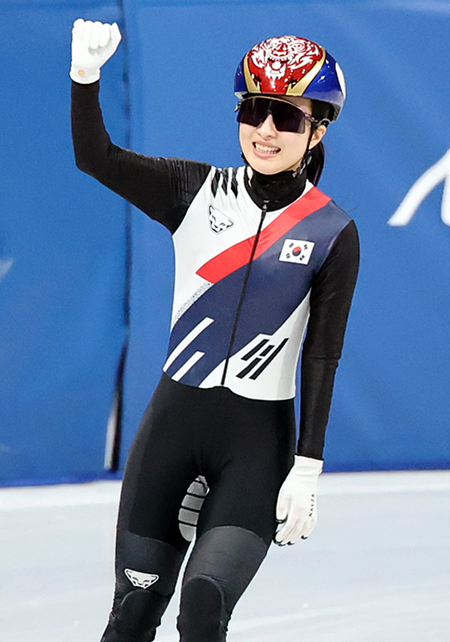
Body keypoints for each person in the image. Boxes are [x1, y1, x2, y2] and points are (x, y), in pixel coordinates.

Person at [71, 19, 359, 642]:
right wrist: (86, 77)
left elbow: (322, 353)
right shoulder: (194, 191)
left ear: (317, 131)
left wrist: (308, 466)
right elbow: (95, 157)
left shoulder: (332, 232)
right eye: (254, 111)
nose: (266, 131)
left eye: (286, 117)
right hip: (173, 426)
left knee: (202, 608)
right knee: (132, 613)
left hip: (255, 446)